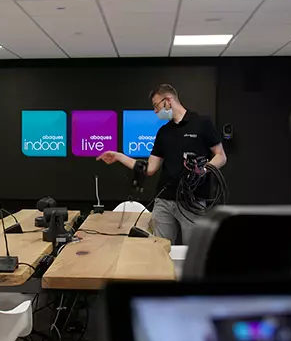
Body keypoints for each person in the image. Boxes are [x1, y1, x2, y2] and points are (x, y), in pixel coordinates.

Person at [97, 84, 226, 245]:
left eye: (156, 106)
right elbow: (150, 168)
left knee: (193, 249)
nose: (155, 111)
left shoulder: (202, 124)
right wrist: (119, 156)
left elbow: (221, 156)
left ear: (168, 100)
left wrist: (204, 170)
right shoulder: (164, 132)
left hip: (192, 200)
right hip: (164, 201)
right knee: (159, 247)